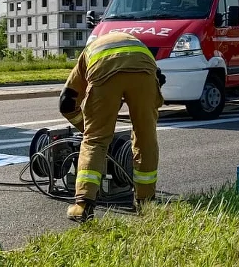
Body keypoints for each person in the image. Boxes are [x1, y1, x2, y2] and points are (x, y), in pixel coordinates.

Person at [58, 31, 162, 222]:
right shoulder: (134, 43)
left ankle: (83, 205)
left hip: (104, 70)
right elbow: (159, 77)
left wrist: (87, 128)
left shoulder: (89, 52)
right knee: (145, 136)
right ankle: (146, 202)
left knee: (95, 141)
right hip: (145, 69)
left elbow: (66, 102)